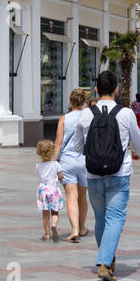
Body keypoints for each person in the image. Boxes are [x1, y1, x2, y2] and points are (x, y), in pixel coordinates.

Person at [72, 69, 140, 281]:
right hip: (119, 172)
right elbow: (139, 142)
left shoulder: (85, 114)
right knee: (116, 217)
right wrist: (136, 153)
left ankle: (107, 258)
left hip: (93, 174)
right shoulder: (126, 113)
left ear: (95, 89)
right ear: (116, 90)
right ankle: (104, 262)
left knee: (101, 218)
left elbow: (77, 147)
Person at [55, 88, 90, 242]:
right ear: (84, 102)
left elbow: (58, 142)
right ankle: (82, 228)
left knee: (71, 197)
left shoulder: (64, 118)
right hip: (85, 160)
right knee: (82, 197)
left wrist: (54, 163)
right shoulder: (90, 118)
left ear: (70, 101)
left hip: (67, 161)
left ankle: (74, 229)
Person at [35, 138, 64, 241]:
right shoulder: (56, 164)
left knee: (45, 214)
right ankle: (54, 224)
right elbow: (61, 175)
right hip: (53, 189)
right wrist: (60, 178)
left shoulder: (38, 166)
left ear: (39, 153)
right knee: (55, 211)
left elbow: (40, 176)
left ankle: (47, 234)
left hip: (43, 190)